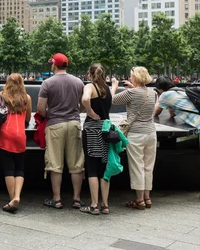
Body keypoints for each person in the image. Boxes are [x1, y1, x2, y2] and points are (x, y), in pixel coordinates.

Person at [37, 53, 85, 210]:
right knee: (77, 163)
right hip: (74, 124)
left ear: (54, 65)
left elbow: (40, 109)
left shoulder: (47, 83)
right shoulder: (78, 82)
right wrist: (76, 110)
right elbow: (84, 104)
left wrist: (50, 113)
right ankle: (77, 199)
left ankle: (57, 199)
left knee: (55, 163)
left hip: (55, 125)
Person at [112, 67, 157, 210]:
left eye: (131, 76)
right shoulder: (153, 93)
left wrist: (114, 86)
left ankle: (139, 200)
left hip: (136, 134)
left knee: (137, 166)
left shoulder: (130, 93)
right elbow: (141, 95)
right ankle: (147, 198)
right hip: (151, 133)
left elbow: (112, 100)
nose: (130, 78)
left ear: (135, 78)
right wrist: (133, 88)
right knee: (148, 167)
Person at [153, 76, 200, 201]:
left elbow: (155, 112)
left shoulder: (165, 95)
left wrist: (159, 97)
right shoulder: (181, 91)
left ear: (159, 89)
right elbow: (173, 113)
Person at [80, 64, 115, 215]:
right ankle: (105, 205)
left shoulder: (90, 86)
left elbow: (85, 98)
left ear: (90, 74)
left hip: (92, 129)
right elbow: (110, 99)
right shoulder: (106, 89)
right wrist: (115, 85)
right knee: (104, 167)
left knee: (92, 167)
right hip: (106, 130)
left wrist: (89, 111)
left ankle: (94, 205)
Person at [0, 73, 31, 213]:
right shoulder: (26, 98)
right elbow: (27, 118)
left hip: (4, 135)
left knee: (8, 168)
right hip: (20, 135)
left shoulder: (1, 96)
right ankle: (17, 196)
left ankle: (12, 200)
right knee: (19, 168)